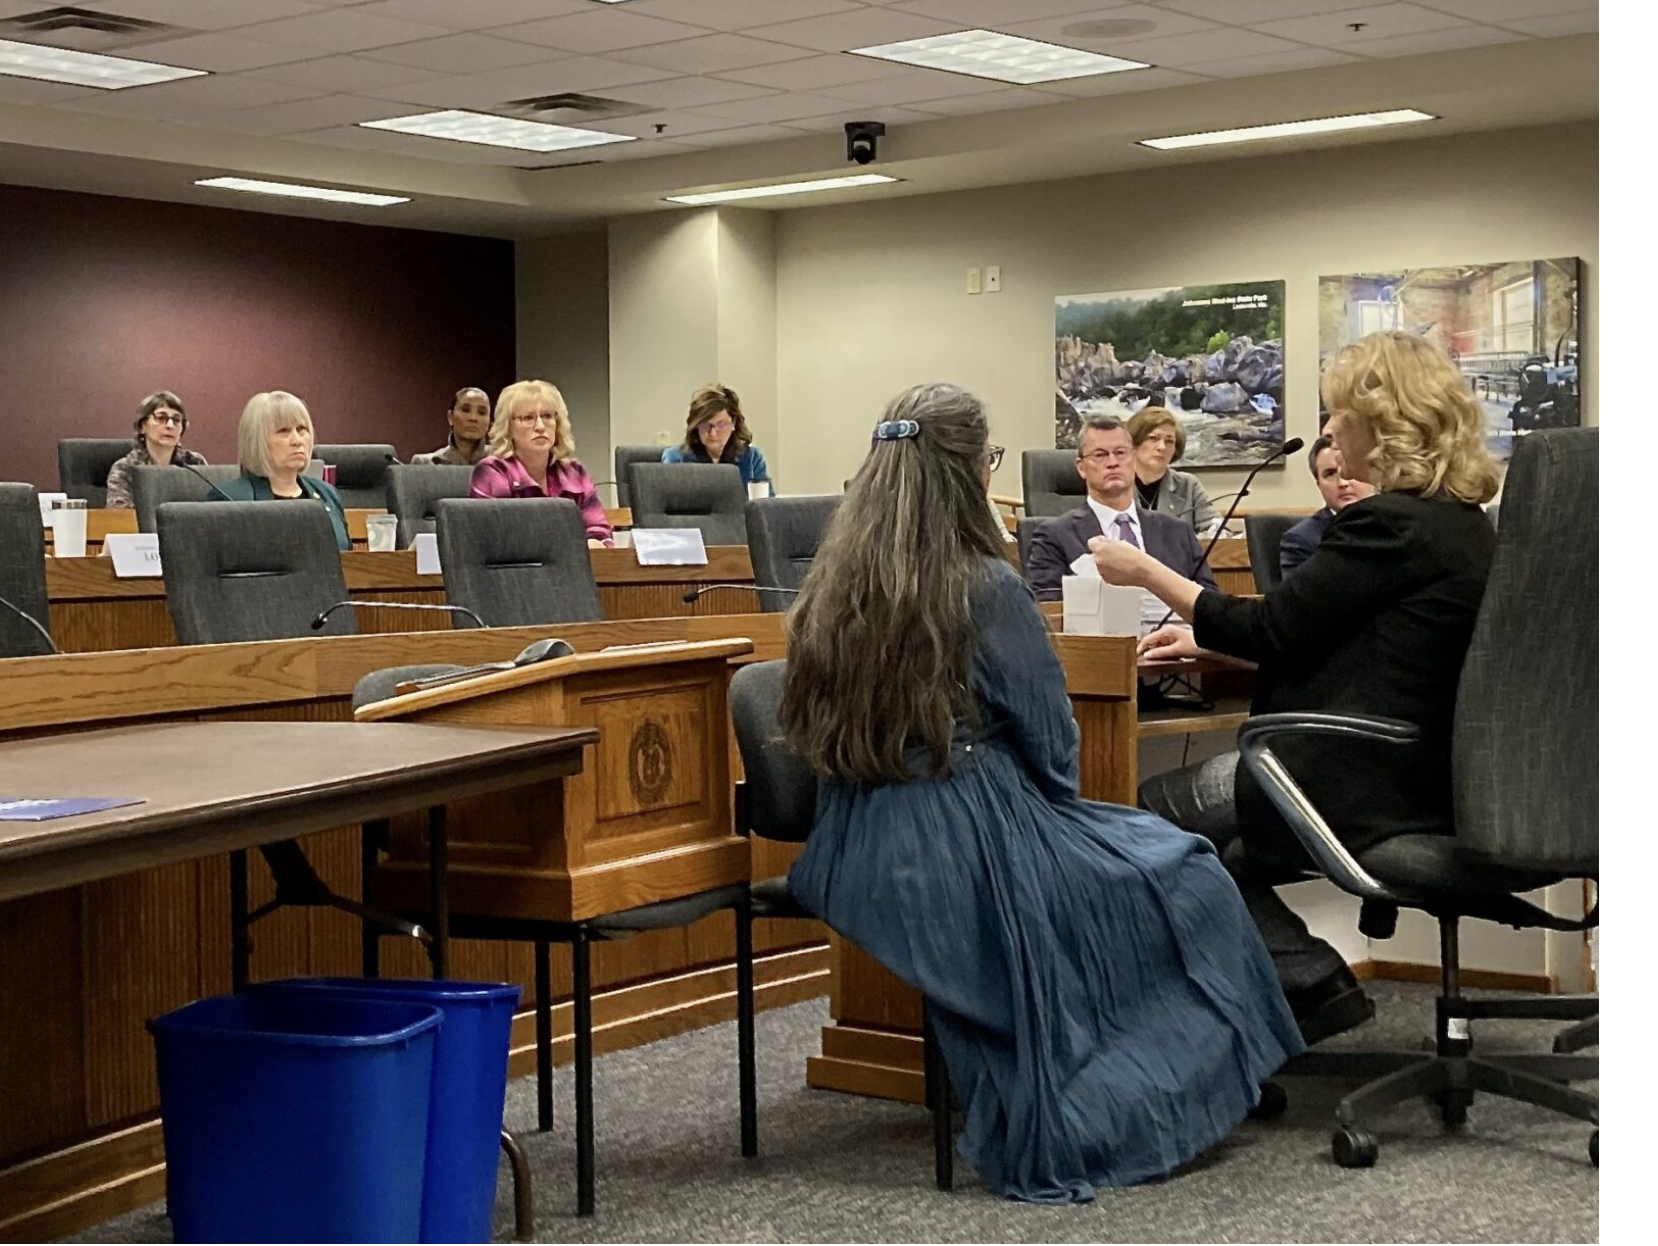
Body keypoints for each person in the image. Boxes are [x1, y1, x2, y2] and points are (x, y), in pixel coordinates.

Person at [779, 382, 1302, 1204]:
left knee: (1134, 861)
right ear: (967, 472)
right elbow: (1053, 743)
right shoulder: (984, 585)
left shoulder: (829, 585)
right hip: (966, 831)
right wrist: (1057, 817)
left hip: (854, 842)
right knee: (1185, 866)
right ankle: (1186, 1079)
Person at [1090, 332, 1500, 1042]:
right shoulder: (1461, 526)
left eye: (1340, 414)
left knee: (1142, 816)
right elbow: (1349, 638)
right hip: (1429, 772)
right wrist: (1211, 638)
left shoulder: (1387, 523)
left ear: (1384, 423)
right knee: (1224, 857)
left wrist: (1148, 573)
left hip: (1356, 777)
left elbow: (1272, 629)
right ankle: (1307, 987)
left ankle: (1303, 982)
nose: (1331, 430)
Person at [1024, 416, 1218, 602]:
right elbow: (1047, 607)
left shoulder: (1178, 532)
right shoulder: (1054, 536)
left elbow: (1209, 603)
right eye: (1100, 455)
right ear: (1081, 468)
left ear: (1133, 460)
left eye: (1120, 453)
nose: (1113, 463)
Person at [469, 379, 612, 547]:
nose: (540, 426)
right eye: (528, 418)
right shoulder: (493, 472)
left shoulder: (575, 473)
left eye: (547, 416)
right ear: (509, 428)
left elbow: (600, 532)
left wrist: (596, 543)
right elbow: (502, 539)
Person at [207, 391, 350, 551]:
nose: (297, 440)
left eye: (302, 429)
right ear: (257, 440)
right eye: (283, 431)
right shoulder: (230, 499)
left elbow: (347, 555)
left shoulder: (327, 494)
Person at [1278, 434, 1376, 578]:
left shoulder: (1396, 524)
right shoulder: (1302, 539)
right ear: (1318, 484)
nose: (1343, 483)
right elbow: (1300, 592)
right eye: (1330, 474)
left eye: (1350, 470)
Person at [661, 383, 772, 493]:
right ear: (696, 426)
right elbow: (667, 500)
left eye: (721, 425)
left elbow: (767, 502)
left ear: (734, 423)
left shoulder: (752, 457)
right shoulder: (675, 458)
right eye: (706, 425)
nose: (713, 433)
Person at [105, 391, 209, 509]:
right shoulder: (126, 469)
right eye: (161, 418)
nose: (170, 425)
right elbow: (120, 515)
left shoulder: (194, 463)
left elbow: (211, 508)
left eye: (176, 420)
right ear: (142, 426)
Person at [1126, 407, 1218, 533]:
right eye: (1153, 438)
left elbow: (1218, 531)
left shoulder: (1188, 485)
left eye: (1169, 441)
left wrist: (1188, 542)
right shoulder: (1115, 484)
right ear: (1134, 442)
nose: (1162, 447)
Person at [411, 387, 491, 466]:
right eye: (465, 410)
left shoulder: (497, 461)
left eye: (482, 412)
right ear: (450, 417)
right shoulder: (427, 463)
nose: (473, 418)